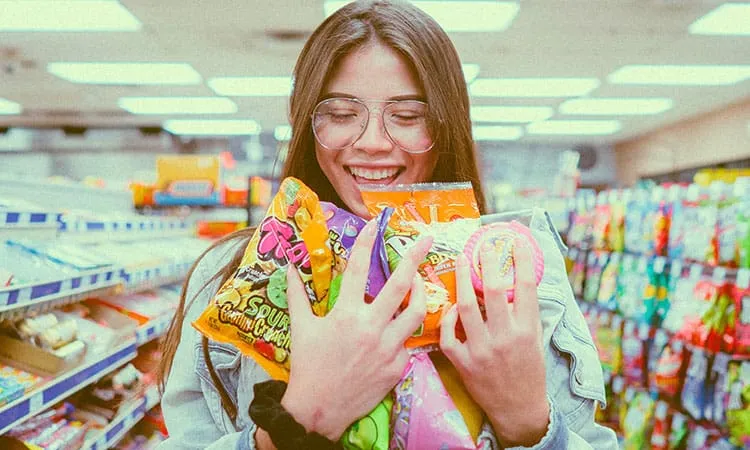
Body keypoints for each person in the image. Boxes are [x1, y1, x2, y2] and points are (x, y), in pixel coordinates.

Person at [157, 1, 618, 449]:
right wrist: (299, 423)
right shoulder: (231, 275)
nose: (373, 142)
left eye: (407, 116)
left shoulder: (510, 271)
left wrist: (529, 423)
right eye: (340, 114)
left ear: (446, 125)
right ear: (305, 122)